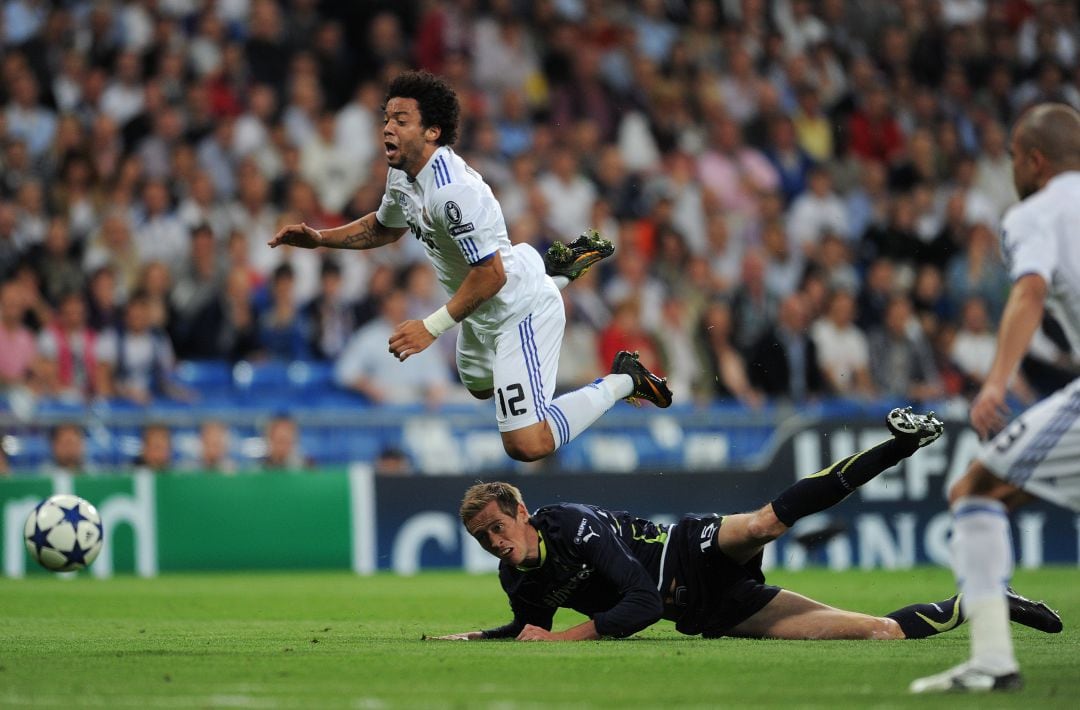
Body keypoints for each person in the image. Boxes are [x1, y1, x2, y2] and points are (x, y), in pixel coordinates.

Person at [270, 71, 671, 462]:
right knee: (480, 387)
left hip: (518, 310)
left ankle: (624, 378)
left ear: (433, 131)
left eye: (401, 120)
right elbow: (383, 227)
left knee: (526, 445)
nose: (387, 128)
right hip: (481, 309)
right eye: (386, 119)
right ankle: (550, 269)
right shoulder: (403, 176)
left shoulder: (453, 192)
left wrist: (430, 327)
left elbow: (491, 275)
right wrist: (321, 238)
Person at [431, 408, 1061, 644]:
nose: (493, 543)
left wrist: (566, 642)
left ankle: (896, 445)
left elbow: (643, 602)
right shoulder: (516, 580)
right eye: (482, 538)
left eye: (495, 527)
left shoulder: (569, 524)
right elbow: (527, 630)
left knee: (763, 523)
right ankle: (983, 602)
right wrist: (478, 638)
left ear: (519, 510)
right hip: (710, 611)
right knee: (881, 634)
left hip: (687, 552)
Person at [910, 103, 1080, 692]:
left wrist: (996, 380)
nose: (1010, 166)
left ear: (1034, 160)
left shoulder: (1034, 214)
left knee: (973, 490)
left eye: (1011, 155)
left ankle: (990, 661)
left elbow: (1030, 291)